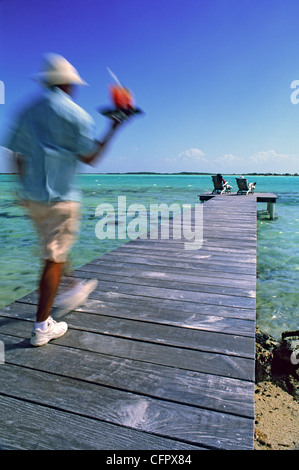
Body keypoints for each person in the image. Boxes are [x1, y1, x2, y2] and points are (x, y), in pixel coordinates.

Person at [4, 53, 127, 346]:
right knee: (53, 256)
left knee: (54, 247)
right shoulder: (76, 115)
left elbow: (16, 155)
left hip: (32, 197)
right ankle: (41, 326)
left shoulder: (26, 111)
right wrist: (114, 126)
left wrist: (24, 188)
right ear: (69, 84)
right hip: (61, 197)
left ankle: (72, 286)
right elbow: (92, 157)